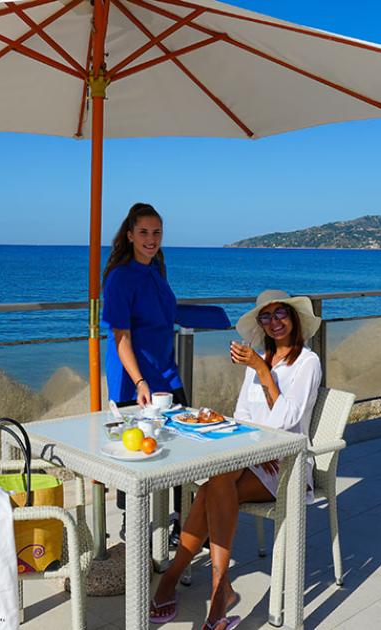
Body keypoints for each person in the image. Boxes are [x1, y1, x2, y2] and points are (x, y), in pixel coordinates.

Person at [148, 289, 322, 630]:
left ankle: (176, 581)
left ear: (295, 317)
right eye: (266, 316)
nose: (274, 322)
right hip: (253, 455)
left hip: (287, 464)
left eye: (280, 314)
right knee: (217, 481)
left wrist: (264, 372)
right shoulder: (255, 360)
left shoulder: (307, 363)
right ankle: (218, 590)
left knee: (213, 487)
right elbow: (242, 416)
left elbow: (288, 420)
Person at [102, 203, 187, 539]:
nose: (151, 239)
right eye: (144, 233)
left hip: (166, 371)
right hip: (132, 377)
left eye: (156, 232)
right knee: (135, 451)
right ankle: (132, 523)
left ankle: (182, 521)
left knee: (180, 444)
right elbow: (121, 337)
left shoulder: (157, 269)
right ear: (130, 235)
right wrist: (139, 380)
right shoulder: (120, 277)